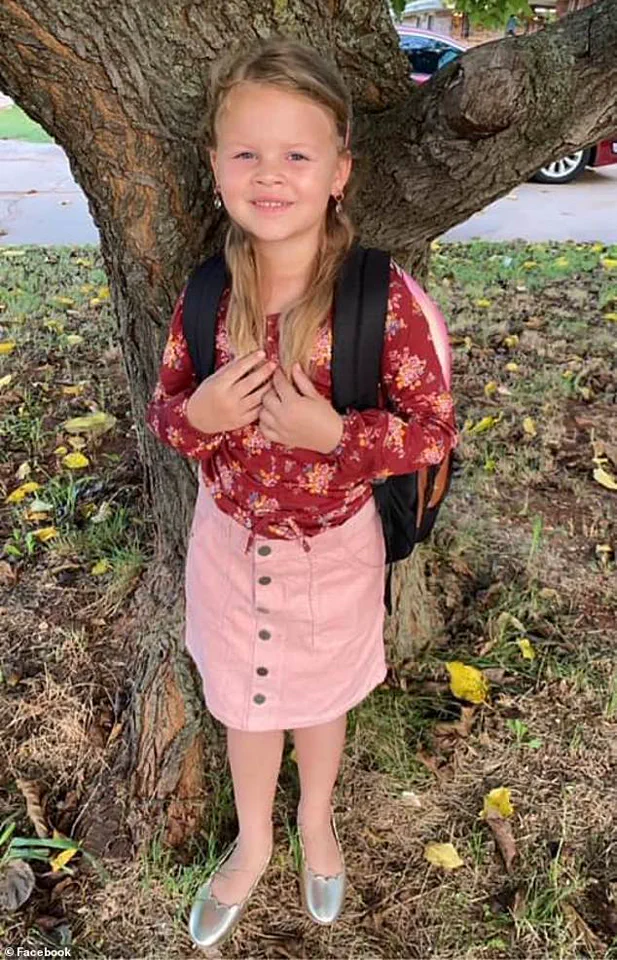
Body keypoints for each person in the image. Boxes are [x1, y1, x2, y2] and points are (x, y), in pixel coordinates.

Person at [146, 36, 458, 949]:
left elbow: (433, 433)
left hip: (334, 550)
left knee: (318, 702)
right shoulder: (206, 296)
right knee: (246, 705)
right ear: (215, 168)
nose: (269, 174)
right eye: (246, 152)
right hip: (227, 543)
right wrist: (199, 414)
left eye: (296, 153)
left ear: (338, 172)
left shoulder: (383, 302)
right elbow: (166, 415)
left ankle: (316, 823)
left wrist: (339, 437)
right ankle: (253, 842)